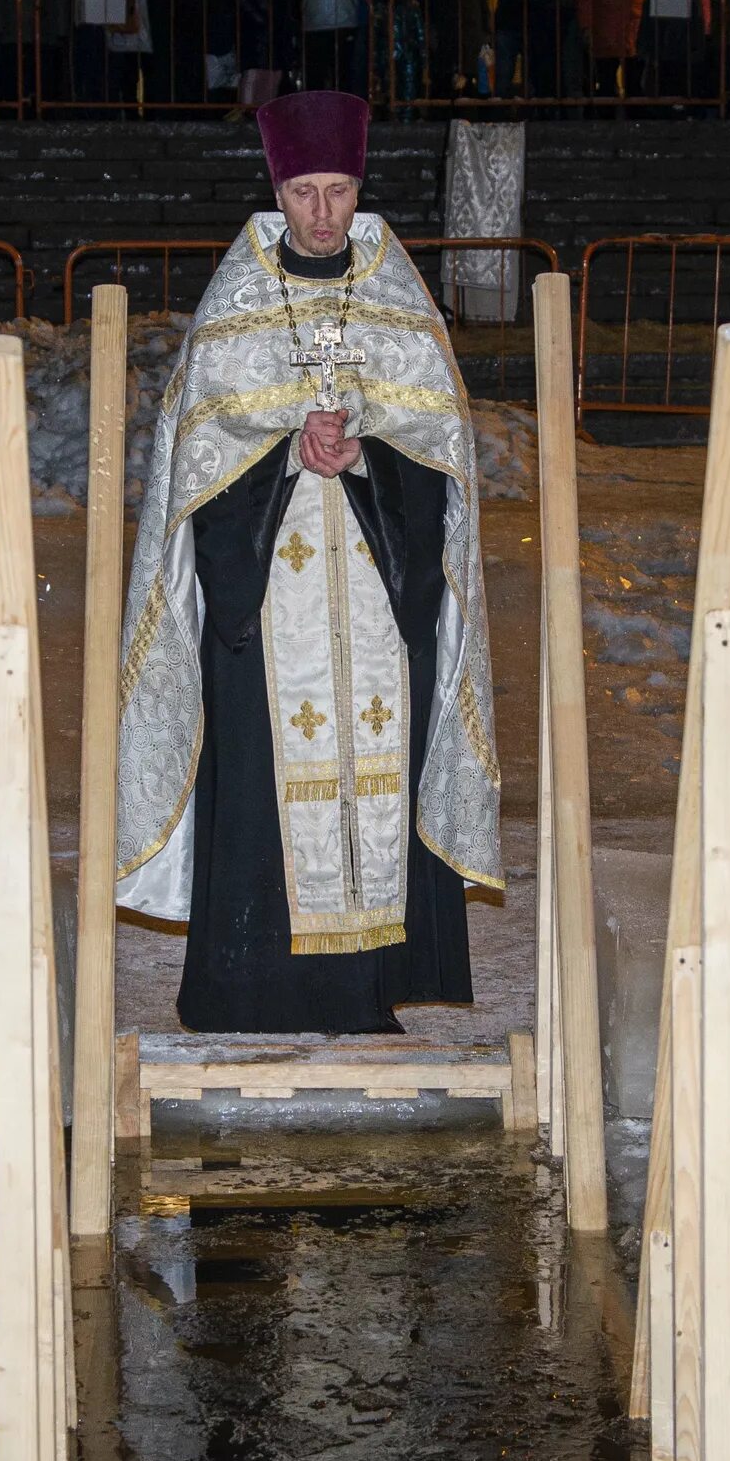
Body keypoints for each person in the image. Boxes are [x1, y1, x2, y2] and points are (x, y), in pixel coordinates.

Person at [113, 91, 501, 1030]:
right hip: (263, 607)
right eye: (303, 191)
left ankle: (368, 992)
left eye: (338, 190)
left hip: (377, 594)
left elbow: (442, 455)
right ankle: (248, 991)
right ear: (275, 188)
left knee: (379, 774)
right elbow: (191, 474)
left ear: (359, 187)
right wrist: (284, 451)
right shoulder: (235, 305)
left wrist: (369, 452)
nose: (321, 213)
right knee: (259, 782)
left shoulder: (397, 299)